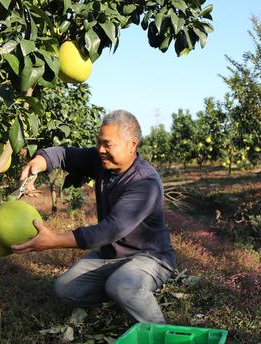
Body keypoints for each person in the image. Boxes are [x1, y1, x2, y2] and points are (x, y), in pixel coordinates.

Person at [11, 110, 175, 324]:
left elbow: (110, 230)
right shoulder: (102, 162)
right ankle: (124, 297)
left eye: (108, 144)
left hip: (150, 257)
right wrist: (39, 163)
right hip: (111, 254)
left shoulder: (145, 183)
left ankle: (159, 333)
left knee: (122, 285)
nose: (100, 150)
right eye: (99, 143)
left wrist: (54, 241)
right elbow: (64, 155)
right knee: (65, 288)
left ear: (132, 144)